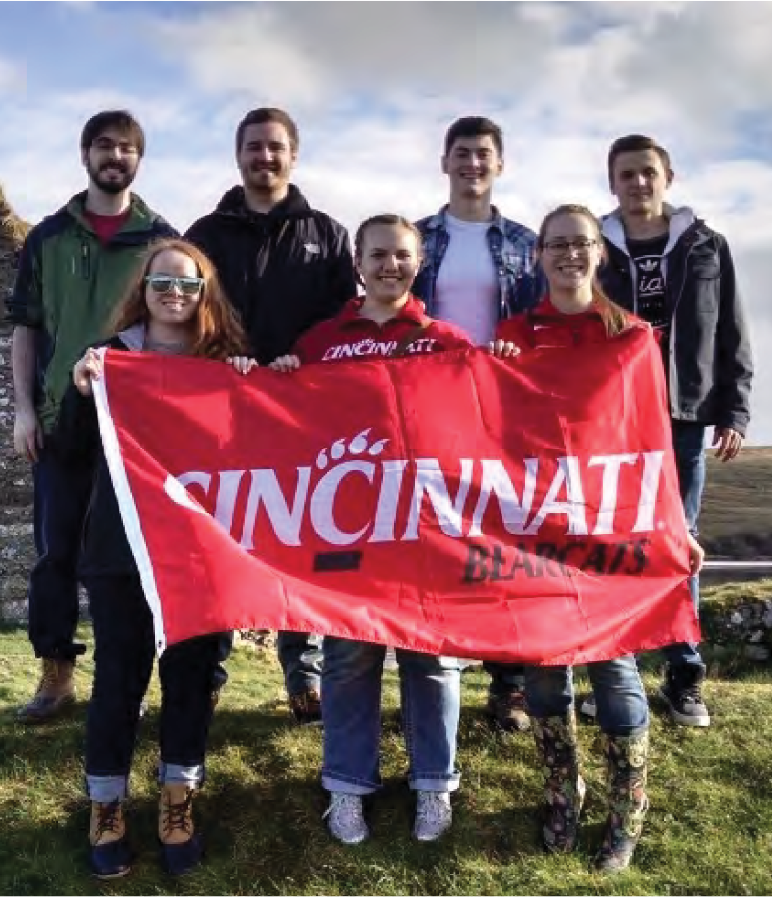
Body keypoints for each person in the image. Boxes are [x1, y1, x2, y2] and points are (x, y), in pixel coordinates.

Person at [490, 204, 705, 874]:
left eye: (581, 242)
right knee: (545, 666)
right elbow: (489, 434)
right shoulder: (512, 334)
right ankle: (563, 790)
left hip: (610, 527)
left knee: (614, 666)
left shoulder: (633, 337)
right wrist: (487, 370)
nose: (569, 254)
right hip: (535, 527)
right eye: (556, 244)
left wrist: (676, 526)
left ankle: (626, 809)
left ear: (599, 253)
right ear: (538, 256)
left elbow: (652, 441)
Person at [269, 214, 471, 846]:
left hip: (426, 535)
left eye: (402, 255)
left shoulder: (447, 341)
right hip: (347, 534)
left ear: (419, 263)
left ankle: (434, 783)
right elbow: (281, 422)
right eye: (378, 255)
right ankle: (348, 787)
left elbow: (485, 426)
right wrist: (273, 376)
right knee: (349, 659)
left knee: (432, 661)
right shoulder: (322, 341)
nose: (391, 266)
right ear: (357, 261)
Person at [63, 238, 257, 879]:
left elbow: (261, 447)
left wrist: (266, 385)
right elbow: (70, 449)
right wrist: (79, 392)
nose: (175, 292)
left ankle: (178, 799)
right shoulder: (109, 359)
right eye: (162, 281)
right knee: (119, 679)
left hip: (201, 552)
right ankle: (106, 808)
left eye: (189, 283)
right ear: (142, 288)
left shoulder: (226, 363)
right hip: (122, 550)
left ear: (207, 292)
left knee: (192, 678)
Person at [185, 107, 358, 727]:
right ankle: (207, 673)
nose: (265, 157)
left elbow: (346, 325)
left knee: (300, 544)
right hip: (223, 416)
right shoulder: (205, 233)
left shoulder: (330, 235)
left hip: (301, 421)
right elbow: (182, 312)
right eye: (254, 147)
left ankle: (303, 675)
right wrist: (219, 359)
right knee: (220, 543)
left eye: (276, 147)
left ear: (294, 154)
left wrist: (302, 361)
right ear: (238, 155)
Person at [5, 109, 179, 723]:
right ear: (85, 154)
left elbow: (180, 329)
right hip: (59, 422)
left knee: (133, 557)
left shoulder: (162, 239)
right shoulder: (48, 238)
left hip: (133, 431)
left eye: (127, 148)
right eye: (104, 146)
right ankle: (56, 676)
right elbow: (26, 328)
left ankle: (127, 674)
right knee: (55, 552)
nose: (115, 156)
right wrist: (25, 411)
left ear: (139, 158)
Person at [593, 134, 754, 729]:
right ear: (612, 183)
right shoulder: (595, 247)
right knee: (613, 544)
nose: (638, 184)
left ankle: (684, 680)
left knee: (676, 543)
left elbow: (732, 331)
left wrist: (734, 411)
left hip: (684, 416)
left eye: (648, 173)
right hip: (613, 419)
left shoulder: (706, 245)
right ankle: (618, 678)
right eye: (626, 175)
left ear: (669, 177)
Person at [410, 114, 543, 734]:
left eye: (483, 154)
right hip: (435, 407)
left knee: (504, 541)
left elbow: (542, 321)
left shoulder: (525, 242)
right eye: (461, 153)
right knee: (439, 535)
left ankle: (508, 682)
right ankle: (440, 660)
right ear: (444, 162)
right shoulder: (417, 237)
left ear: (499, 163)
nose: (472, 164)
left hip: (504, 409)